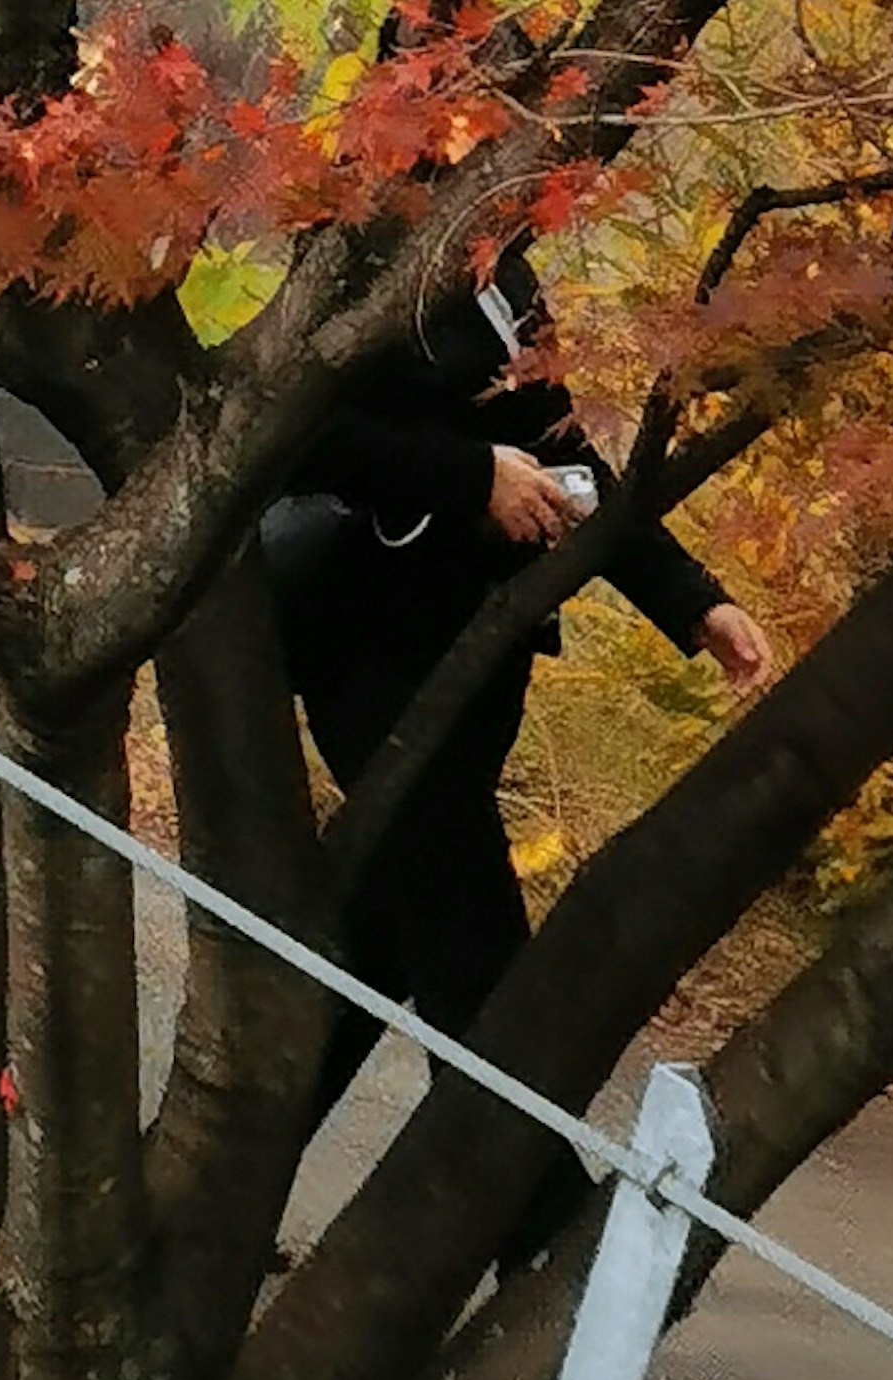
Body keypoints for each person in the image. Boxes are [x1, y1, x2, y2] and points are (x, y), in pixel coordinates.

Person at [264, 250, 774, 1103]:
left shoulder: (506, 270)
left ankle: (224, 1181)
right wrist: (469, 479)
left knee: (385, 928)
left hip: (477, 656)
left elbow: (562, 454)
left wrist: (693, 603)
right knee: (474, 952)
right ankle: (527, 1215)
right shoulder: (366, 242)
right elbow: (290, 429)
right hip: (373, 652)